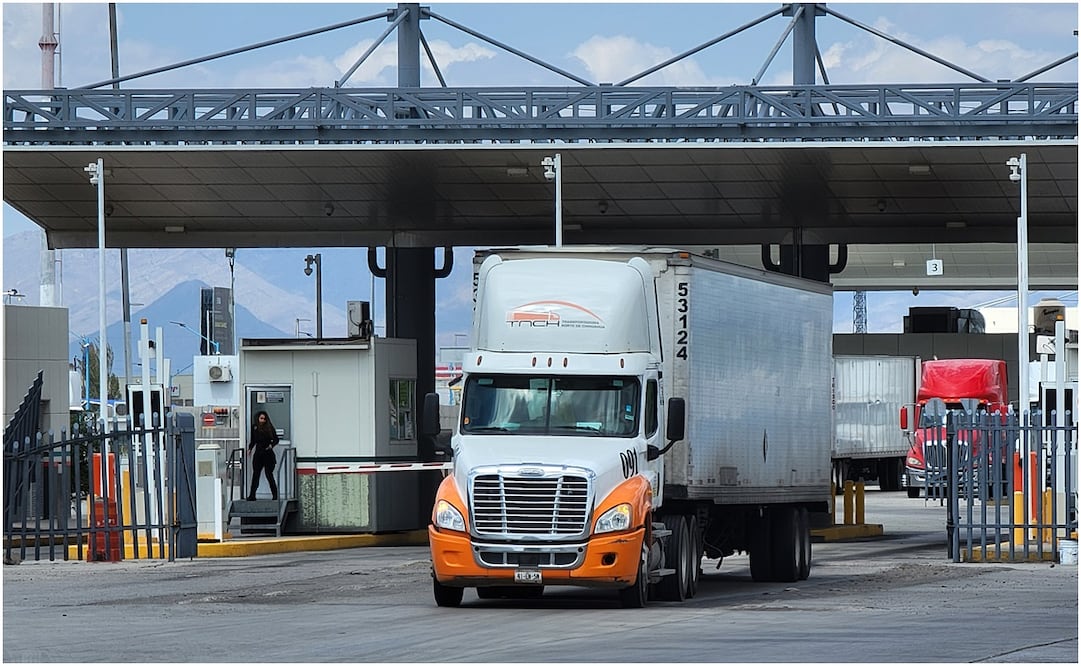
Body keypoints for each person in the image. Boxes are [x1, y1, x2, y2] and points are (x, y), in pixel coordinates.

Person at [246, 410, 280, 501]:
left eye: (264, 419)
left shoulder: (269, 427)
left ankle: (275, 495)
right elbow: (253, 440)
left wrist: (271, 445)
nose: (263, 421)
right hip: (258, 454)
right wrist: (250, 448)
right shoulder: (255, 428)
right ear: (258, 418)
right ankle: (252, 495)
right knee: (256, 475)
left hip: (268, 453)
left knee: (269, 474)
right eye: (261, 418)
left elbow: (276, 439)